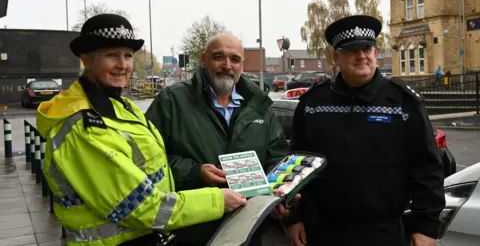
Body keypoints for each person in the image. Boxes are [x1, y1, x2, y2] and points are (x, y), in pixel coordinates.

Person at [37, 14, 247, 246]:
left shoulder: (120, 107)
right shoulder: (83, 127)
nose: (123, 65)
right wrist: (218, 200)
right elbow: (142, 208)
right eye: (111, 55)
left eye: (128, 56)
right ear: (87, 60)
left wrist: (197, 171)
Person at [284, 15, 445, 246]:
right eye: (352, 50)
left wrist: (426, 227)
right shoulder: (313, 104)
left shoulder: (403, 103)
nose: (361, 56)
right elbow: (298, 164)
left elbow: (427, 169)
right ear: (336, 58)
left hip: (383, 232)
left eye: (367, 48)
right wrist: (294, 217)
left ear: (375, 53)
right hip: (322, 231)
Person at [145, 32, 293, 245]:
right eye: (218, 57)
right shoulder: (172, 101)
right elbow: (147, 164)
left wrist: (278, 196)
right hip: (192, 230)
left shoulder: (259, 106)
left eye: (234, 59)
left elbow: (276, 158)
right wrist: (195, 172)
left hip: (249, 229)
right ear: (204, 60)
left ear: (242, 64)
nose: (227, 65)